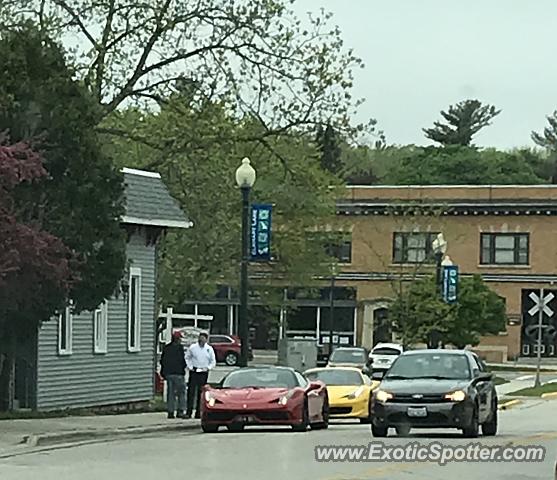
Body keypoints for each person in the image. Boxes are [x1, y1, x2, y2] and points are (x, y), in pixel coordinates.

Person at [185, 332, 216, 418]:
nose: (201, 340)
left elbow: (213, 361)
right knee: (191, 392)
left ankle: (198, 413)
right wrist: (190, 367)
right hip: (194, 371)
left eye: (203, 338)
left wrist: (208, 368)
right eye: (200, 338)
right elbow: (187, 357)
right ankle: (189, 411)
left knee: (201, 393)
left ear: (206, 339)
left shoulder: (209, 349)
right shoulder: (193, 347)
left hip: (203, 372)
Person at [160, 331, 187, 419]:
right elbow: (182, 361)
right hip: (178, 373)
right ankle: (180, 410)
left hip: (169, 374)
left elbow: (163, 361)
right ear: (177, 339)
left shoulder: (166, 348)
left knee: (170, 394)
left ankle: (170, 412)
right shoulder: (180, 348)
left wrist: (163, 372)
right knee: (181, 393)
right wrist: (183, 368)